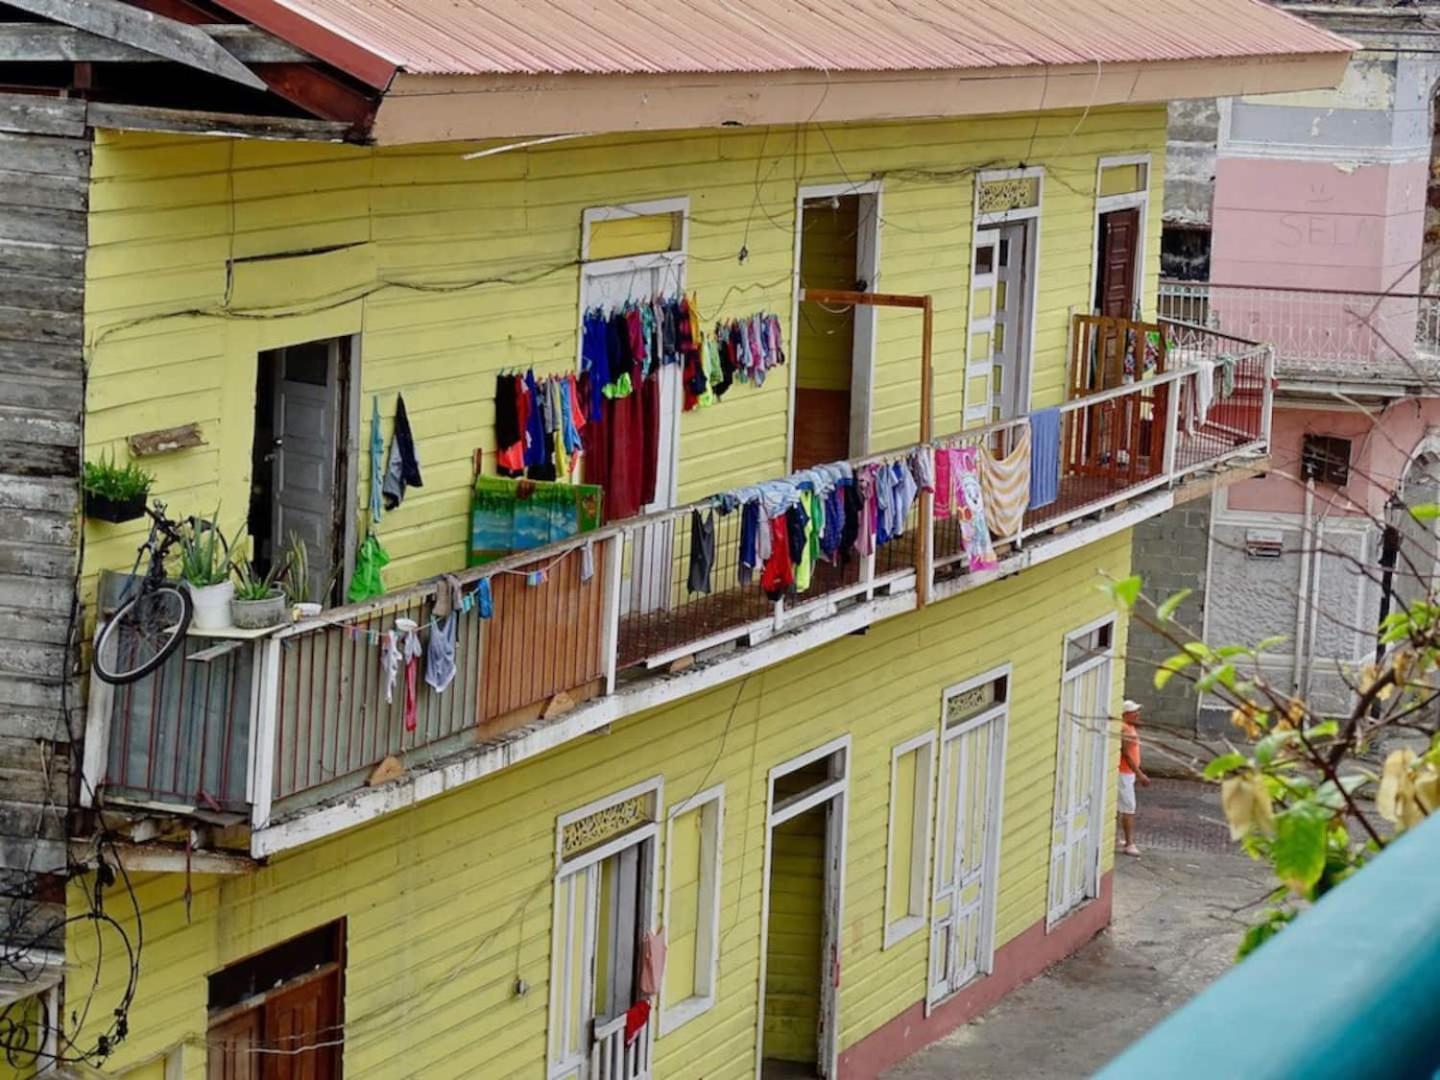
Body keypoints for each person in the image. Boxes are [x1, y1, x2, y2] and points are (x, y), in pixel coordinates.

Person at [1117, 699, 1150, 857]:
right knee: (1129, 808)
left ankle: (1117, 838)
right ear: (1125, 714)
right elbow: (1128, 756)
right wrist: (1140, 774)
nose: (1137, 714)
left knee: (1120, 807)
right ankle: (1129, 843)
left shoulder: (1127, 727)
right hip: (1125, 773)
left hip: (1126, 773)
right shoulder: (1126, 731)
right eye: (1134, 712)